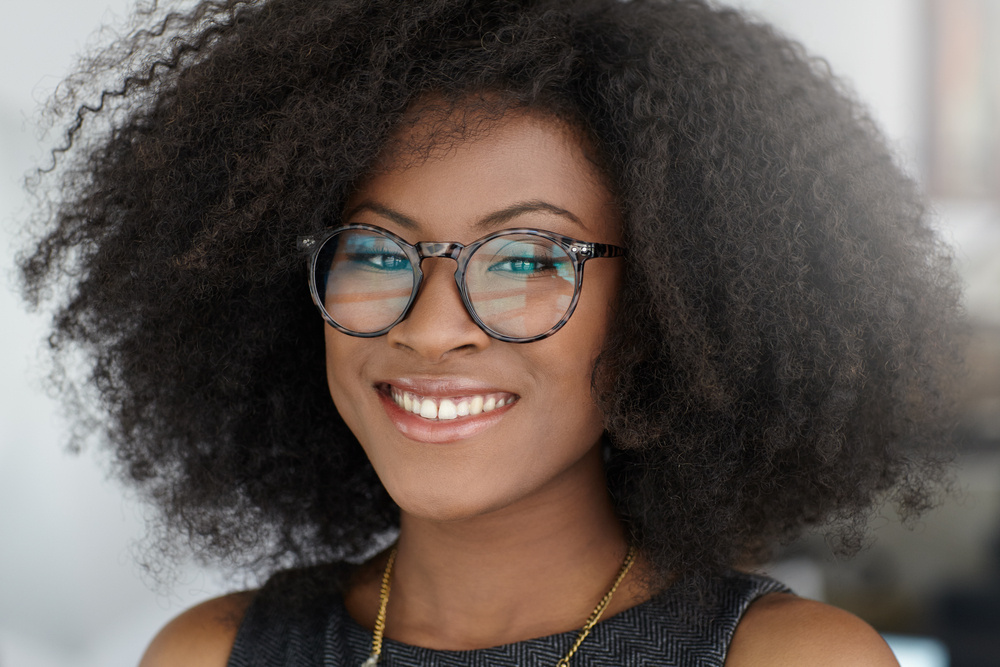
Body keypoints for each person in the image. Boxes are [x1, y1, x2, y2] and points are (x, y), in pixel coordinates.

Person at [18, 0, 963, 664]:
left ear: (670, 307)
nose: (432, 329)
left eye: (523, 259)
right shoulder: (210, 656)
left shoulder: (789, 662)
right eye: (379, 251)